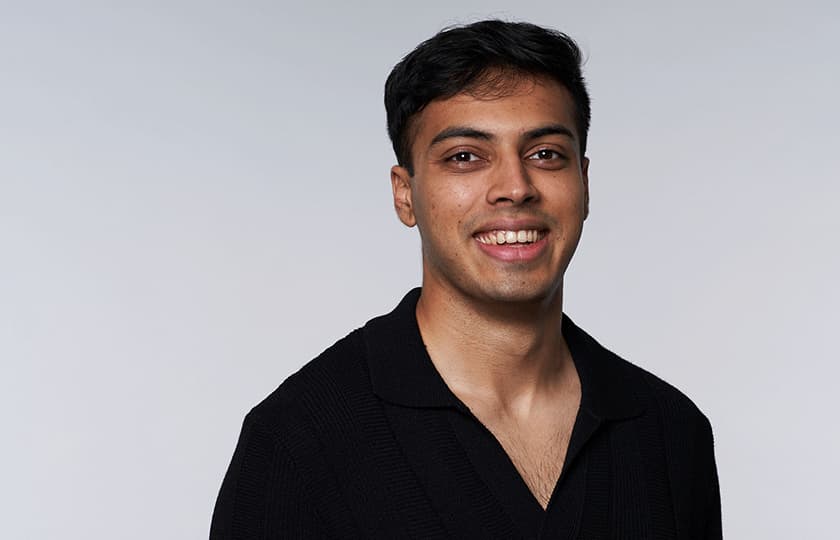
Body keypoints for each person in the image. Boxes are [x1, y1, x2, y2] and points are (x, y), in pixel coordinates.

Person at [211, 19, 721, 539]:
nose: (514, 188)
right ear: (405, 194)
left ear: (584, 183)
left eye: (545, 154)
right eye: (465, 157)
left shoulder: (668, 431)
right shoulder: (301, 438)